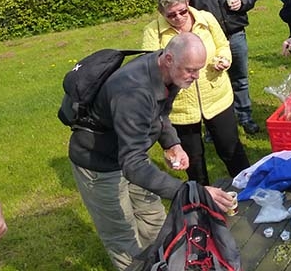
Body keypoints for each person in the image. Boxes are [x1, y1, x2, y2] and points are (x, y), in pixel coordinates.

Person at [68, 33, 234, 270]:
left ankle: (163, 264)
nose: (196, 76)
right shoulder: (133, 93)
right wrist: (190, 191)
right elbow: (133, 165)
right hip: (99, 162)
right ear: (168, 59)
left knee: (155, 220)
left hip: (131, 153)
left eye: (198, 69)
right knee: (123, 235)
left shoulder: (169, 72)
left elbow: (160, 113)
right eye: (190, 70)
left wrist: (172, 144)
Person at [142, 0, 250, 186]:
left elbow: (223, 45)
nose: (178, 18)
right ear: (161, 13)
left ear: (188, 2)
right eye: (171, 15)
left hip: (217, 98)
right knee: (194, 161)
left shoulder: (206, 19)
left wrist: (224, 59)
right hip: (181, 108)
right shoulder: (153, 32)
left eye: (182, 11)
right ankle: (203, 198)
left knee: (231, 150)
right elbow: (151, 67)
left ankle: (250, 188)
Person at [177, 0, 261, 134]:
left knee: (240, 79)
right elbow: (181, 8)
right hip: (206, 40)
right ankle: (213, 128)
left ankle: (245, 117)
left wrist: (242, 1)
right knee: (209, 82)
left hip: (235, 34)